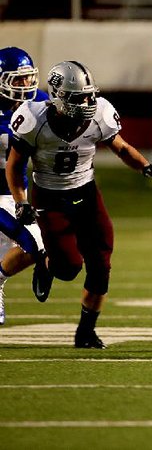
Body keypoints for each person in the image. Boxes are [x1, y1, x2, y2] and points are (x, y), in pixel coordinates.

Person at [6, 61, 152, 348]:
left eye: (89, 95)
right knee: (68, 268)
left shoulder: (100, 113)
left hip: (86, 193)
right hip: (49, 196)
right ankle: (47, 263)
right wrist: (20, 201)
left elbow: (121, 147)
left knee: (101, 264)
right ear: (59, 97)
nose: (87, 102)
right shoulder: (34, 120)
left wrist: (146, 167)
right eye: (78, 97)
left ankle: (86, 331)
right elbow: (14, 166)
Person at [0, 47, 48, 325]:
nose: (26, 85)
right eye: (18, 80)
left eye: (29, 79)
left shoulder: (40, 103)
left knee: (16, 253)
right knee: (35, 244)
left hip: (18, 192)